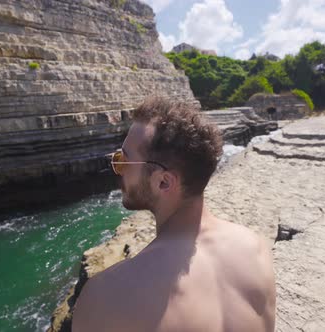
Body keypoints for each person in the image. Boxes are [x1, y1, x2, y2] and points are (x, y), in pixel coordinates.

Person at [72, 96, 276, 332]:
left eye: (123, 160)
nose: (117, 169)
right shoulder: (257, 248)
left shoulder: (104, 297)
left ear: (164, 182)